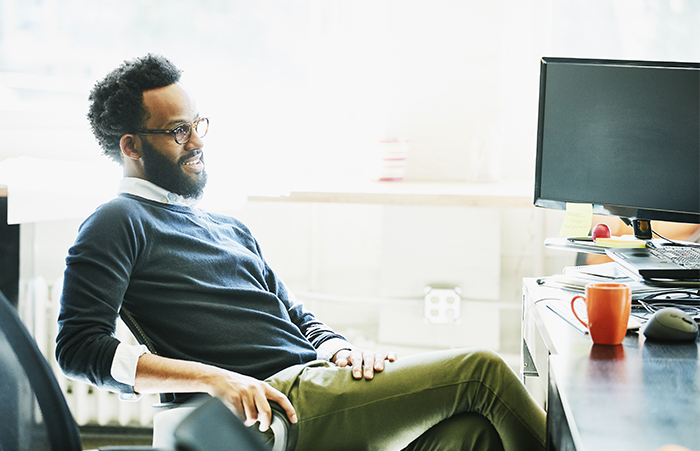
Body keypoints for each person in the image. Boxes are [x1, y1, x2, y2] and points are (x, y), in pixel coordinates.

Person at [56, 54, 546, 451]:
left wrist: (340, 350)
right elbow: (79, 348)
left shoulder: (227, 226)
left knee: (473, 437)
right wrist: (215, 380)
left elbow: (294, 315)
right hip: (276, 405)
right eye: (178, 131)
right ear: (131, 146)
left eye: (198, 124)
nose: (198, 141)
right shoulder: (116, 222)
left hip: (317, 381)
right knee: (483, 374)